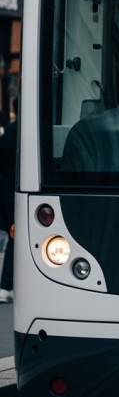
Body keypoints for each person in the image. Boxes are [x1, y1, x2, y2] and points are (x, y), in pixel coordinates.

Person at [0, 98, 17, 302]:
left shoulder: (6, 138)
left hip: (6, 194)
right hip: (20, 193)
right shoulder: (30, 136)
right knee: (16, 238)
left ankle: (7, 285)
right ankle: (7, 284)